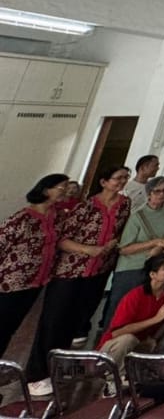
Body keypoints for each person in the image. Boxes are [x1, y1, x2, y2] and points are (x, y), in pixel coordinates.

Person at [27, 167, 130, 397]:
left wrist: (111, 246)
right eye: (117, 178)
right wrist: (88, 250)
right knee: (54, 321)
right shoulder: (85, 206)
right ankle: (36, 374)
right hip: (71, 271)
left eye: (125, 178)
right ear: (103, 182)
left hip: (99, 271)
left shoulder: (124, 204)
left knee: (76, 321)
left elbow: (119, 231)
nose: (122, 182)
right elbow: (61, 239)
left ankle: (60, 364)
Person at [0, 174, 68, 357]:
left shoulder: (56, 216)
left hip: (36, 281)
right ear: (46, 190)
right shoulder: (22, 218)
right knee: (2, 325)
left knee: (12, 326)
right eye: (62, 188)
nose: (65, 191)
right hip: (12, 282)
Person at [105, 176, 164, 331]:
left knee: (147, 309)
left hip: (157, 268)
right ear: (149, 194)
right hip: (132, 266)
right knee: (121, 308)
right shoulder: (137, 215)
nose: (161, 194)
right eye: (157, 191)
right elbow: (124, 248)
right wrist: (154, 243)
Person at [99, 253, 164, 368]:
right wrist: (155, 319)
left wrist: (154, 339)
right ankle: (111, 377)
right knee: (128, 339)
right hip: (116, 345)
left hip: (145, 342)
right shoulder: (135, 296)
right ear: (153, 274)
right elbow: (117, 332)